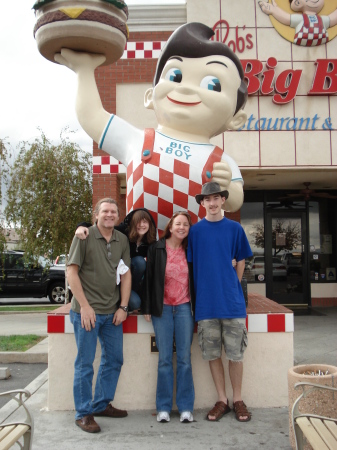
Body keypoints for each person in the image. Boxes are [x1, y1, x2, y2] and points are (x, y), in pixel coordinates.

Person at [54, 22, 248, 232]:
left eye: (213, 84)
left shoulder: (221, 161)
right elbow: (92, 116)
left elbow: (235, 201)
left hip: (190, 254)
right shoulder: (137, 140)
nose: (185, 89)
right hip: (142, 252)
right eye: (175, 76)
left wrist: (228, 186)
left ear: (236, 119)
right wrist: (84, 71)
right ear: (150, 97)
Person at [187, 182, 253, 423]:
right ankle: (222, 400)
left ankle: (238, 400)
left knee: (236, 355)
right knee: (212, 354)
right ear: (202, 203)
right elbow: (191, 264)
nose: (212, 203)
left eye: (216, 198)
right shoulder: (195, 231)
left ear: (223, 200)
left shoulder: (235, 229)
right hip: (206, 305)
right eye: (207, 199)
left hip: (233, 304)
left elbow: (242, 259)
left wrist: (233, 283)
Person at [67, 197, 131, 433]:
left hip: (112, 313)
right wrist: (84, 306)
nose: (110, 215)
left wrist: (123, 306)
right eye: (105, 211)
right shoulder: (83, 236)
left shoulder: (121, 239)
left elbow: (125, 274)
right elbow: (71, 273)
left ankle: (102, 404)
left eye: (114, 211)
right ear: (96, 214)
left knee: (114, 360)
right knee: (85, 365)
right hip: (87, 313)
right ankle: (84, 414)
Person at [143, 211, 195, 424]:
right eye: (178, 224)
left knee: (184, 359)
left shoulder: (191, 249)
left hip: (184, 308)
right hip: (162, 309)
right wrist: (147, 306)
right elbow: (148, 280)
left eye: (186, 224)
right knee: (165, 359)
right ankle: (163, 407)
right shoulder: (156, 249)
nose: (182, 227)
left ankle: (185, 408)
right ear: (170, 227)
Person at [76, 208, 157, 311]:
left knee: (140, 264)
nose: (141, 225)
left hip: (132, 282)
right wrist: (81, 226)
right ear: (133, 223)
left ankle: (131, 293)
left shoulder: (150, 242)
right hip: (116, 281)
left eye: (145, 222)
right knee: (139, 262)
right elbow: (100, 227)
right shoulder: (122, 232)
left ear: (150, 224)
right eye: (138, 222)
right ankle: (120, 298)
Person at [259, 0, 337, 46]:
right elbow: (286, 18)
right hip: (302, 38)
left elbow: (333, 18)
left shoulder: (322, 19)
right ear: (297, 3)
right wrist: (274, 10)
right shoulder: (300, 19)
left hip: (321, 39)